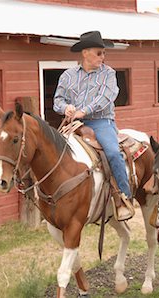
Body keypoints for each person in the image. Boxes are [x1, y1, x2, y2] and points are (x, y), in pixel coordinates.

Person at [53, 31, 134, 221]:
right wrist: (66, 108)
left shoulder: (109, 74)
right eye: (99, 53)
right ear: (85, 53)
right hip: (74, 123)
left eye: (104, 53)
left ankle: (123, 196)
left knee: (113, 153)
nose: (103, 57)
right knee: (53, 151)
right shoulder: (67, 76)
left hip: (101, 122)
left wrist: (84, 111)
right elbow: (58, 100)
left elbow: (106, 98)